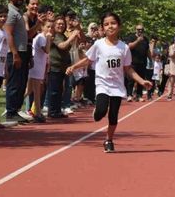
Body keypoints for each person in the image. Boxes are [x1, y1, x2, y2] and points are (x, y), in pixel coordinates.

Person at [67, 12, 152, 152]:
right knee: (101, 111)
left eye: (113, 23)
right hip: (102, 84)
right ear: (102, 28)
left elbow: (128, 69)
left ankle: (109, 140)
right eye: (106, 24)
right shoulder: (99, 45)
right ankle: (97, 112)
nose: (110, 26)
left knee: (113, 115)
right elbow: (88, 59)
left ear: (119, 26)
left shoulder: (124, 48)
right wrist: (73, 66)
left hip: (117, 86)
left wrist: (142, 81)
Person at [4, 0, 31, 123]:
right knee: (14, 83)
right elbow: (8, 33)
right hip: (15, 52)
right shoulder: (11, 12)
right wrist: (15, 54)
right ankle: (10, 111)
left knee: (21, 83)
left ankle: (15, 110)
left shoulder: (18, 12)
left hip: (23, 51)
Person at [48, 16, 79, 119]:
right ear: (54, 25)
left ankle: (57, 110)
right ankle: (52, 111)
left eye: (62, 24)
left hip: (62, 67)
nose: (61, 25)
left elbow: (70, 46)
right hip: (54, 66)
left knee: (60, 89)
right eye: (58, 24)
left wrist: (75, 35)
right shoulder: (55, 35)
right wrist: (72, 36)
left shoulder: (63, 36)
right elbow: (62, 46)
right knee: (54, 90)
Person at [26, 20, 53, 123]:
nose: (50, 29)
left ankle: (16, 107)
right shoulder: (42, 37)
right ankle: (37, 112)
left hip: (39, 67)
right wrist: (49, 39)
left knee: (29, 90)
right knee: (37, 91)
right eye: (47, 27)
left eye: (51, 27)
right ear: (42, 27)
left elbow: (46, 55)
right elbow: (47, 50)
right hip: (35, 67)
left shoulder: (43, 37)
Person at [125, 23, 152, 102]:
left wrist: (150, 59)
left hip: (142, 62)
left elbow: (148, 50)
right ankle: (129, 95)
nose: (140, 31)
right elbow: (129, 46)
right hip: (133, 61)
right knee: (131, 80)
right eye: (138, 29)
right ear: (135, 30)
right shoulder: (131, 37)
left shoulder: (146, 39)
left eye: (142, 29)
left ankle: (139, 95)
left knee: (141, 79)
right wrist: (137, 40)